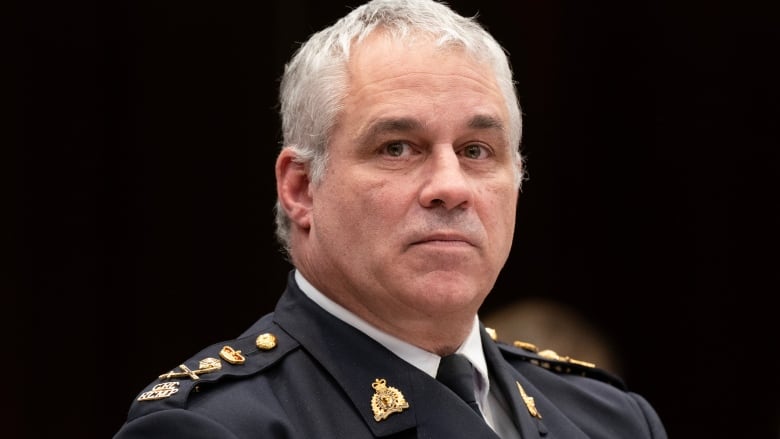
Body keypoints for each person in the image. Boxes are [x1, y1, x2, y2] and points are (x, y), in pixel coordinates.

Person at [114, 0, 667, 437]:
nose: (450, 187)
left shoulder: (611, 421)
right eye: (398, 148)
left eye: (477, 151)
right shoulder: (215, 428)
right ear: (301, 189)